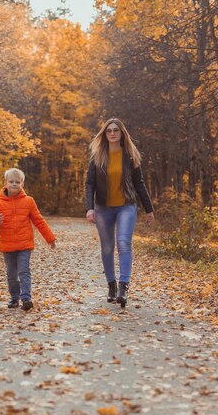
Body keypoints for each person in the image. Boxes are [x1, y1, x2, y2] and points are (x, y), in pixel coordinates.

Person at [85, 118, 154, 308]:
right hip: (103, 207)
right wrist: (89, 208)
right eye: (109, 131)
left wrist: (149, 209)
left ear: (122, 133)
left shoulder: (130, 155)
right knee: (107, 248)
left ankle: (123, 288)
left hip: (126, 205)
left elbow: (139, 184)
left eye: (116, 130)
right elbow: (89, 183)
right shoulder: (98, 156)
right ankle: (111, 286)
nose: (113, 133)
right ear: (105, 134)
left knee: (124, 243)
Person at [0, 168, 56, 311]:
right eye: (11, 181)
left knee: (24, 271)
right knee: (11, 274)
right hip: (8, 245)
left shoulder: (29, 201)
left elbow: (39, 221)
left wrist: (50, 238)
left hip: (25, 244)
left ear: (22, 184)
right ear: (5, 183)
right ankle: (14, 298)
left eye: (18, 182)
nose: (14, 184)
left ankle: (26, 298)